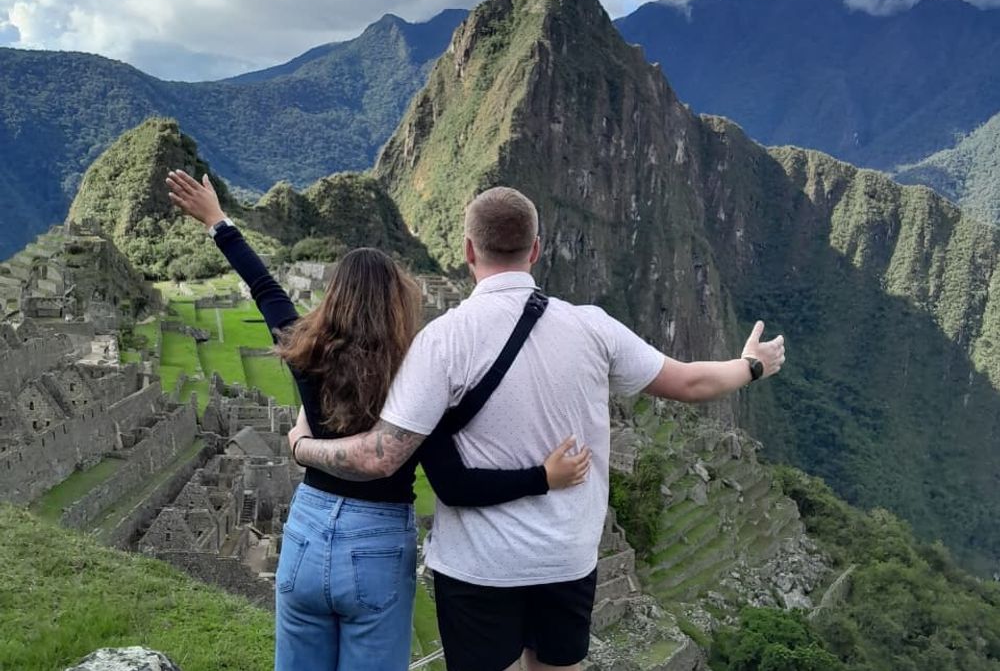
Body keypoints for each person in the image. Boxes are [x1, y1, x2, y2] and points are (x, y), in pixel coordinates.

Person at [288, 186, 786, 671]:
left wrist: (304, 448)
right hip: (564, 560)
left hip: (478, 568)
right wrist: (751, 366)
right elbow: (691, 381)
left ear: (467, 250)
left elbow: (380, 456)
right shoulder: (593, 327)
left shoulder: (442, 341)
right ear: (537, 250)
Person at [165, 170, 592, 671]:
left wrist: (217, 220)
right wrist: (542, 475)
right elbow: (452, 474)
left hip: (306, 530)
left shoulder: (304, 348)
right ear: (397, 301)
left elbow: (263, 285)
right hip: (376, 545)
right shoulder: (418, 371)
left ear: (333, 297)